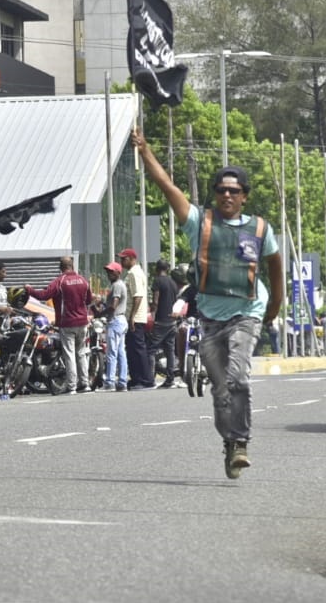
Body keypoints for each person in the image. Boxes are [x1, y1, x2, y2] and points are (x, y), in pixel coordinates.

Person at [132, 126, 283, 479]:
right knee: (219, 391)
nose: (227, 195)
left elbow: (276, 268)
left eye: (234, 191)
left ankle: (241, 440)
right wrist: (144, 150)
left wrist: (274, 307)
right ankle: (229, 444)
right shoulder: (200, 222)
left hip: (247, 313)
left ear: (244, 196)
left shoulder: (260, 228)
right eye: (221, 190)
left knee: (238, 380)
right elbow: (168, 188)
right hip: (211, 318)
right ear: (215, 194)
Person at [26, 256, 93, 393]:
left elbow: (44, 295)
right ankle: (85, 384)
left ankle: (72, 386)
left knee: (69, 354)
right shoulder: (83, 281)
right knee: (81, 353)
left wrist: (29, 290)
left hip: (67, 323)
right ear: (72, 266)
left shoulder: (60, 281)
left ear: (61, 267)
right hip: (83, 322)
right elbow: (89, 300)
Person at [119, 248, 153, 390]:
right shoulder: (133, 272)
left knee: (138, 349)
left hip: (135, 317)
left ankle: (145, 380)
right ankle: (136, 378)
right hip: (134, 316)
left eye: (123, 259)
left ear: (131, 259)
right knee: (132, 349)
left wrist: (132, 316)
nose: (121, 261)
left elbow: (137, 296)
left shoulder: (134, 273)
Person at [149, 258, 179, 388]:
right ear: (167, 269)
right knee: (170, 351)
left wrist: (152, 315)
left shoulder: (157, 281)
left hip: (161, 321)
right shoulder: (173, 283)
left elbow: (156, 300)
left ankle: (150, 379)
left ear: (157, 269)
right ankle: (170, 379)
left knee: (151, 350)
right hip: (171, 321)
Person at [103, 262, 129, 391]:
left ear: (118, 272)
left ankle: (109, 382)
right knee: (120, 352)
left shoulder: (117, 285)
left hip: (115, 320)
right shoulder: (117, 285)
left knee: (112, 353)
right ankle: (122, 382)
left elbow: (113, 306)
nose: (109, 274)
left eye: (111, 271)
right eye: (108, 271)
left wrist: (100, 313)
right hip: (121, 320)